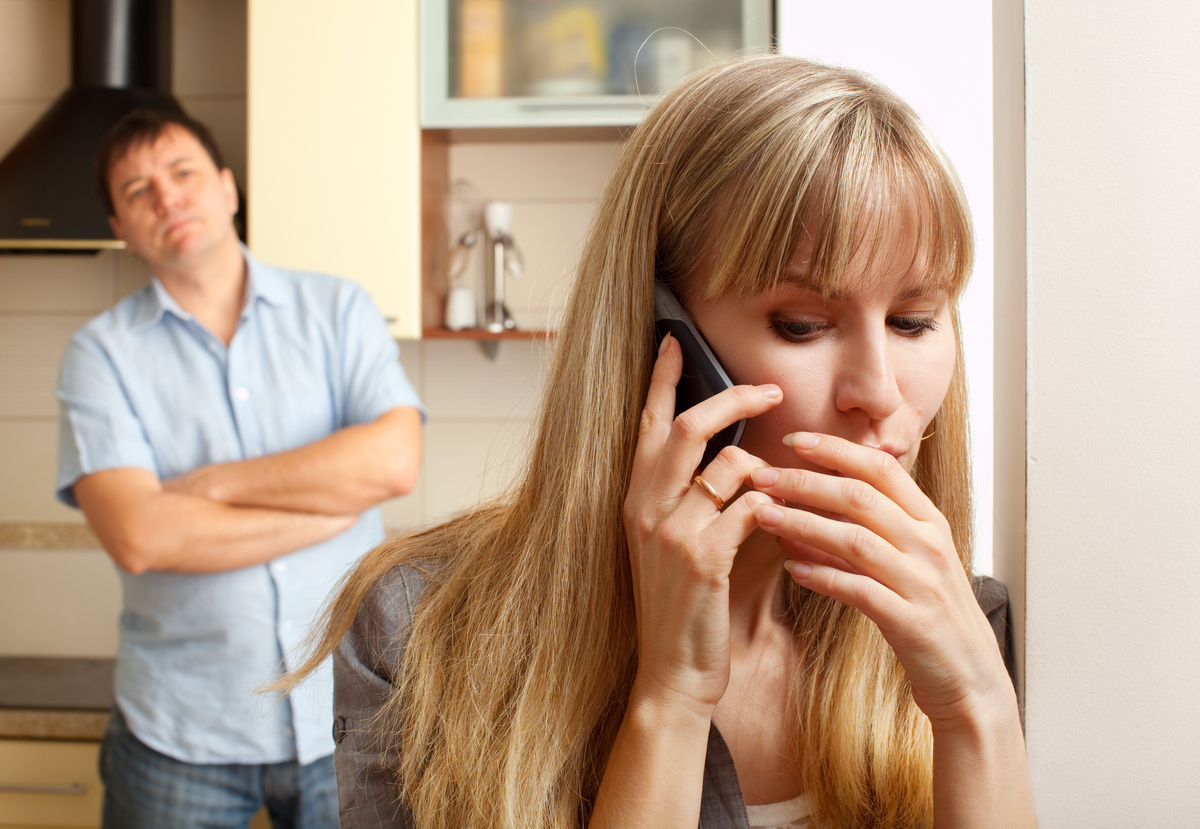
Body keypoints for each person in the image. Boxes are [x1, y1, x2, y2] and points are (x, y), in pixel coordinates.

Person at [292, 54, 1037, 828]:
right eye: (803, 324)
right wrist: (670, 698)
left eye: (914, 321)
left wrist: (976, 706)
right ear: (660, 333)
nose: (880, 392)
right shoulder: (419, 633)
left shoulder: (968, 624)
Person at [55, 108, 425, 829]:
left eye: (183, 173)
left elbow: (394, 458)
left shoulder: (337, 308)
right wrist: (326, 507)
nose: (168, 199)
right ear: (119, 229)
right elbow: (140, 536)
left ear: (227, 188)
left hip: (344, 712)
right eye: (138, 191)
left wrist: (214, 484)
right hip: (179, 732)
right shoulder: (98, 355)